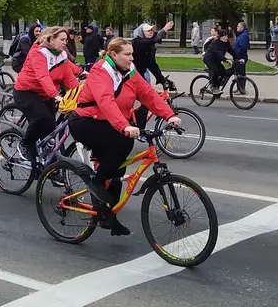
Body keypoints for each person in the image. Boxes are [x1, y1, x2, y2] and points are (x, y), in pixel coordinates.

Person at [69, 37, 181, 236]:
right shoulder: (101, 71)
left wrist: (169, 115)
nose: (131, 58)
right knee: (121, 142)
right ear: (113, 54)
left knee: (117, 171)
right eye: (127, 54)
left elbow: (148, 94)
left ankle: (108, 216)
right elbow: (106, 102)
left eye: (132, 54)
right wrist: (124, 126)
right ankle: (96, 182)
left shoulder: (130, 72)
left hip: (111, 122)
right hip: (86, 121)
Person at [11, 26, 80, 169]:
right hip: (26, 91)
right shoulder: (38, 53)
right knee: (41, 117)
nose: (65, 42)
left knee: (50, 130)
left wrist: (80, 96)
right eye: (62, 39)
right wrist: (56, 96)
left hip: (44, 93)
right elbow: (43, 77)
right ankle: (25, 144)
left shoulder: (61, 55)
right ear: (51, 39)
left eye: (66, 40)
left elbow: (69, 77)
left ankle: (49, 168)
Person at [131, 21, 174, 85]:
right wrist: (164, 29)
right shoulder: (137, 42)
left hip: (142, 71)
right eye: (148, 31)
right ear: (142, 32)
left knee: (147, 87)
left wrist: (162, 79)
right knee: (144, 87)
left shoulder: (150, 46)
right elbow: (152, 40)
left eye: (151, 30)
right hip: (132, 72)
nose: (151, 32)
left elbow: (152, 64)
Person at [232, 21, 250, 93]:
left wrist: (238, 54)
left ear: (242, 27)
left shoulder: (244, 35)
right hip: (237, 57)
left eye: (238, 26)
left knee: (241, 74)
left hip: (240, 57)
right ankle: (239, 88)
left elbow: (243, 47)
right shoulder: (240, 35)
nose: (237, 27)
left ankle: (242, 89)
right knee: (237, 73)